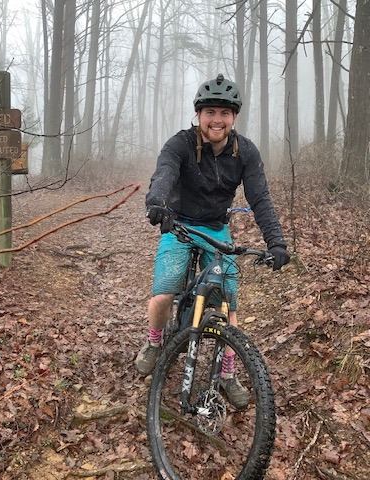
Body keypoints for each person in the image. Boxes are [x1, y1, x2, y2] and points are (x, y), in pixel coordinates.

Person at [135, 74, 290, 409]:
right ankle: (154, 342)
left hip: (216, 229)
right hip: (179, 225)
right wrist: (157, 203)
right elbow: (164, 173)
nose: (216, 120)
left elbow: (260, 198)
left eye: (224, 113)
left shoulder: (245, 152)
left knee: (227, 304)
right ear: (198, 115)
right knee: (163, 294)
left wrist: (276, 242)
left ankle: (228, 372)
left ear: (234, 117)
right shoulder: (180, 144)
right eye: (210, 112)